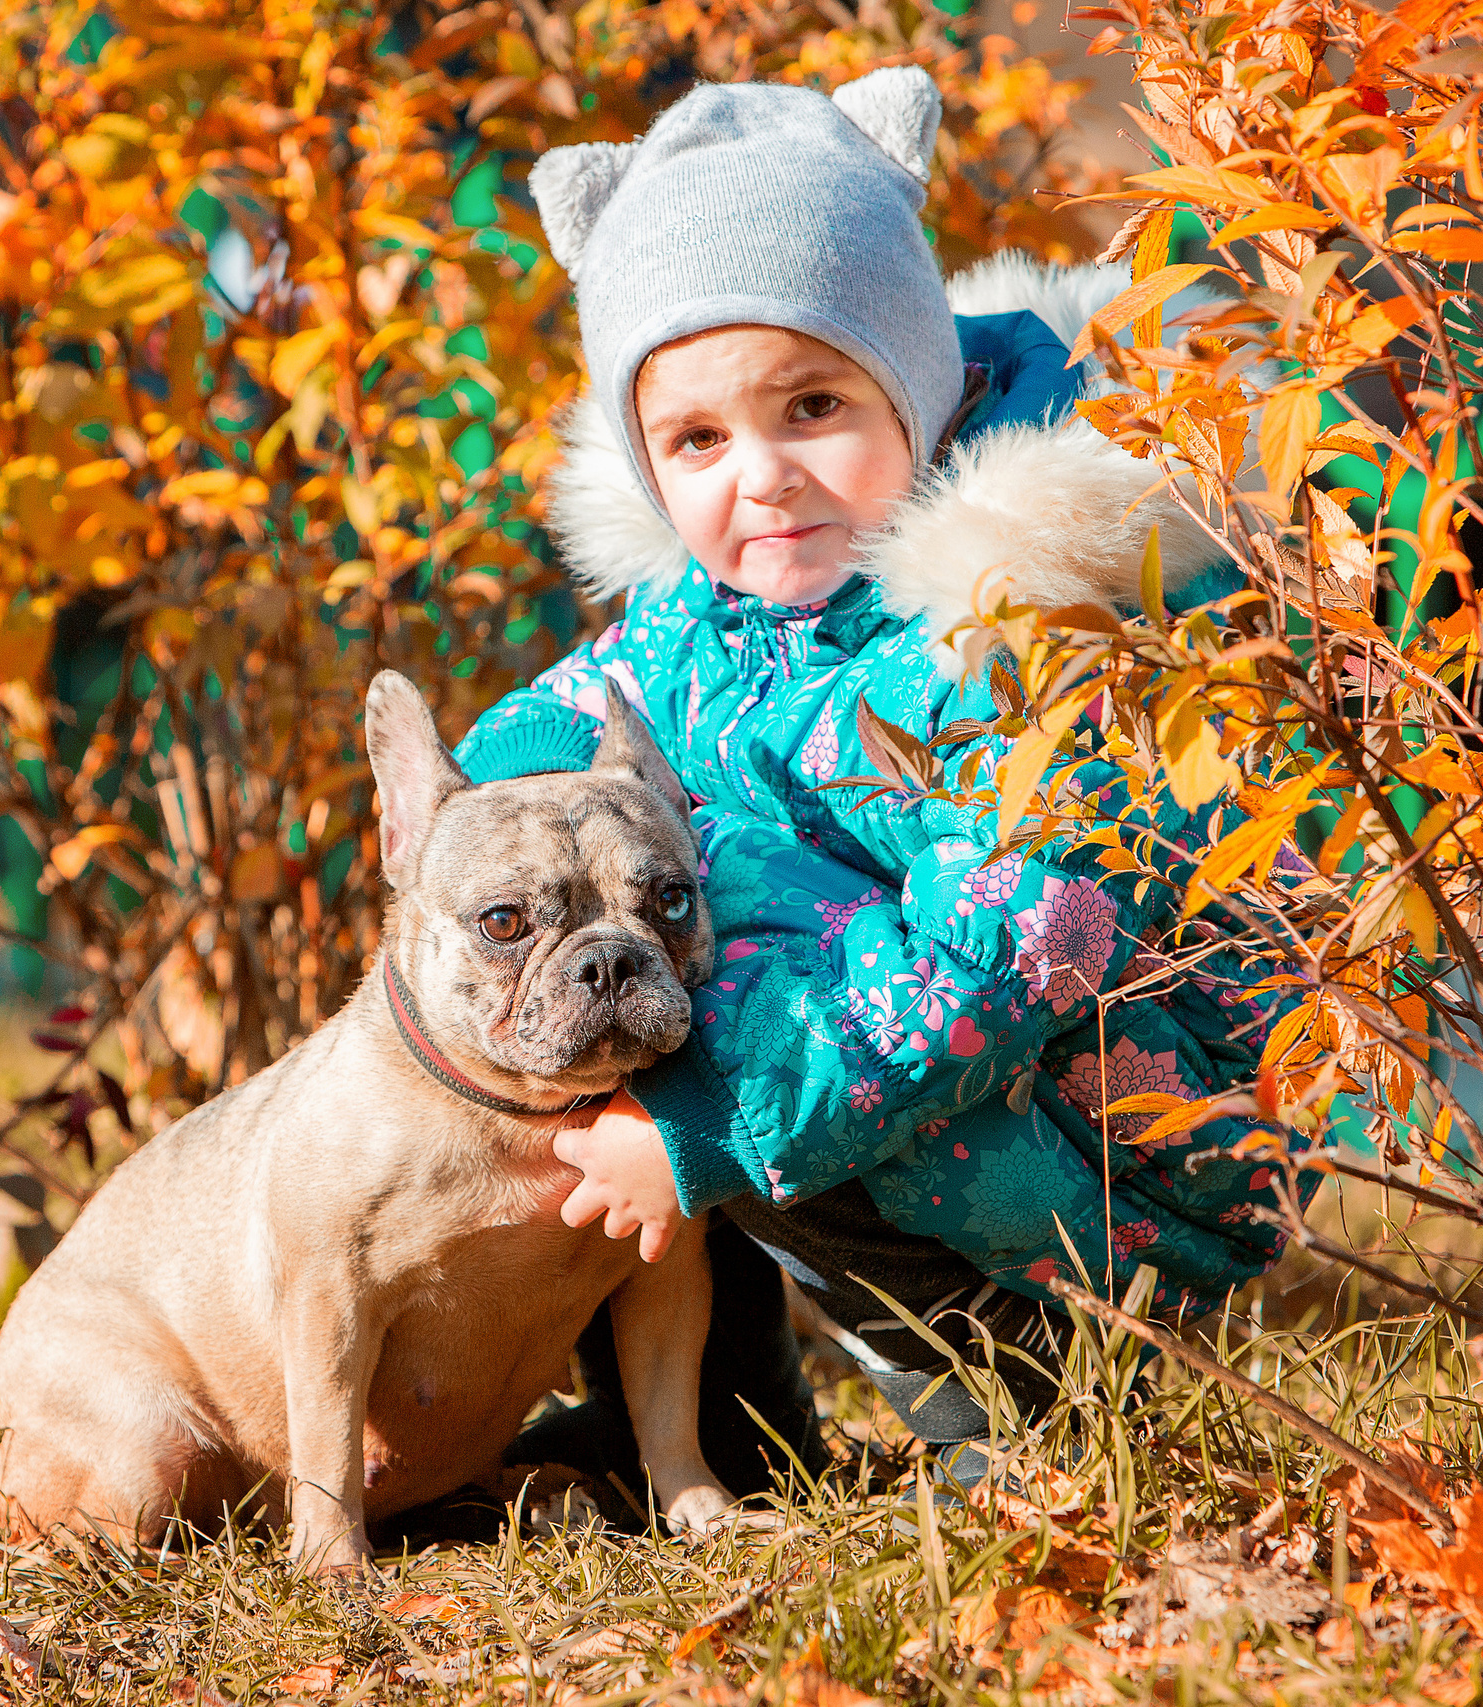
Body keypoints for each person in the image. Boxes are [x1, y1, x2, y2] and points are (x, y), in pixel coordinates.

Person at [453, 69, 1312, 1495]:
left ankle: (1028, 1386)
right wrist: (467, 834)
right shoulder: (711, 613)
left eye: (813, 405)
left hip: (1135, 1142)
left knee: (727, 945)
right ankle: (714, 1419)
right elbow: (556, 726)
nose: (763, 477)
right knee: (607, 943)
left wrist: (707, 1125)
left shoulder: (1010, 618)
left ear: (916, 386)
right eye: (698, 440)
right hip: (953, 1086)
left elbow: (1019, 942)